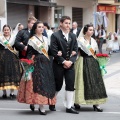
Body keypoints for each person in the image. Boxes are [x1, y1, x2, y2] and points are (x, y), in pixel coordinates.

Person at [17, 21, 56, 115]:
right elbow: (29, 53)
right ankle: (37, 105)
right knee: (36, 83)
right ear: (35, 29)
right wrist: (28, 64)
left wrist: (56, 53)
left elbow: (49, 51)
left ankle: (41, 104)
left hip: (46, 63)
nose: (41, 28)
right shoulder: (32, 40)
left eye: (42, 27)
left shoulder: (46, 39)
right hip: (36, 63)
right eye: (39, 27)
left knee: (44, 83)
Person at [74, 24, 107, 112]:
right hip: (83, 61)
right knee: (82, 82)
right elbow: (77, 52)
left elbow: (95, 52)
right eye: (90, 30)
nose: (91, 31)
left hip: (93, 62)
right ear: (85, 31)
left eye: (92, 30)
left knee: (95, 82)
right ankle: (77, 102)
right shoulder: (80, 40)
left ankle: (96, 104)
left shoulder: (93, 40)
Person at [50, 16, 79, 114]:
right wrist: (63, 61)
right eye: (66, 23)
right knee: (58, 85)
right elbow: (54, 51)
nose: (68, 25)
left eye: (69, 23)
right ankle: (52, 102)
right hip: (58, 64)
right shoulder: (55, 35)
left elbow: (76, 50)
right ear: (61, 24)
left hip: (70, 65)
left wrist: (70, 61)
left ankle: (69, 106)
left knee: (70, 85)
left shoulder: (73, 36)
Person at [0, 25, 22, 99]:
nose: (6, 31)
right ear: (3, 31)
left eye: (7, 30)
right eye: (5, 30)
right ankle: (4, 93)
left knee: (12, 73)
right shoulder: (0, 38)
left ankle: (12, 93)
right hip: (2, 58)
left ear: (10, 30)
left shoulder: (13, 38)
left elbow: (17, 46)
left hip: (12, 58)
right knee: (3, 74)